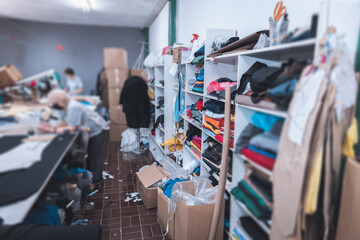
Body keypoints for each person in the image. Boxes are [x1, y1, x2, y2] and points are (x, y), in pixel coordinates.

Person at [38, 89, 109, 185]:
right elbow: (67, 121)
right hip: (89, 130)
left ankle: (96, 181)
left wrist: (49, 130)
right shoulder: (67, 105)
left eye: (53, 102)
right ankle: (90, 176)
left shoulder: (72, 107)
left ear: (60, 101)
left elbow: (72, 128)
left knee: (94, 157)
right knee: (90, 157)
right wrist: (53, 126)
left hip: (96, 132)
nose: (52, 105)